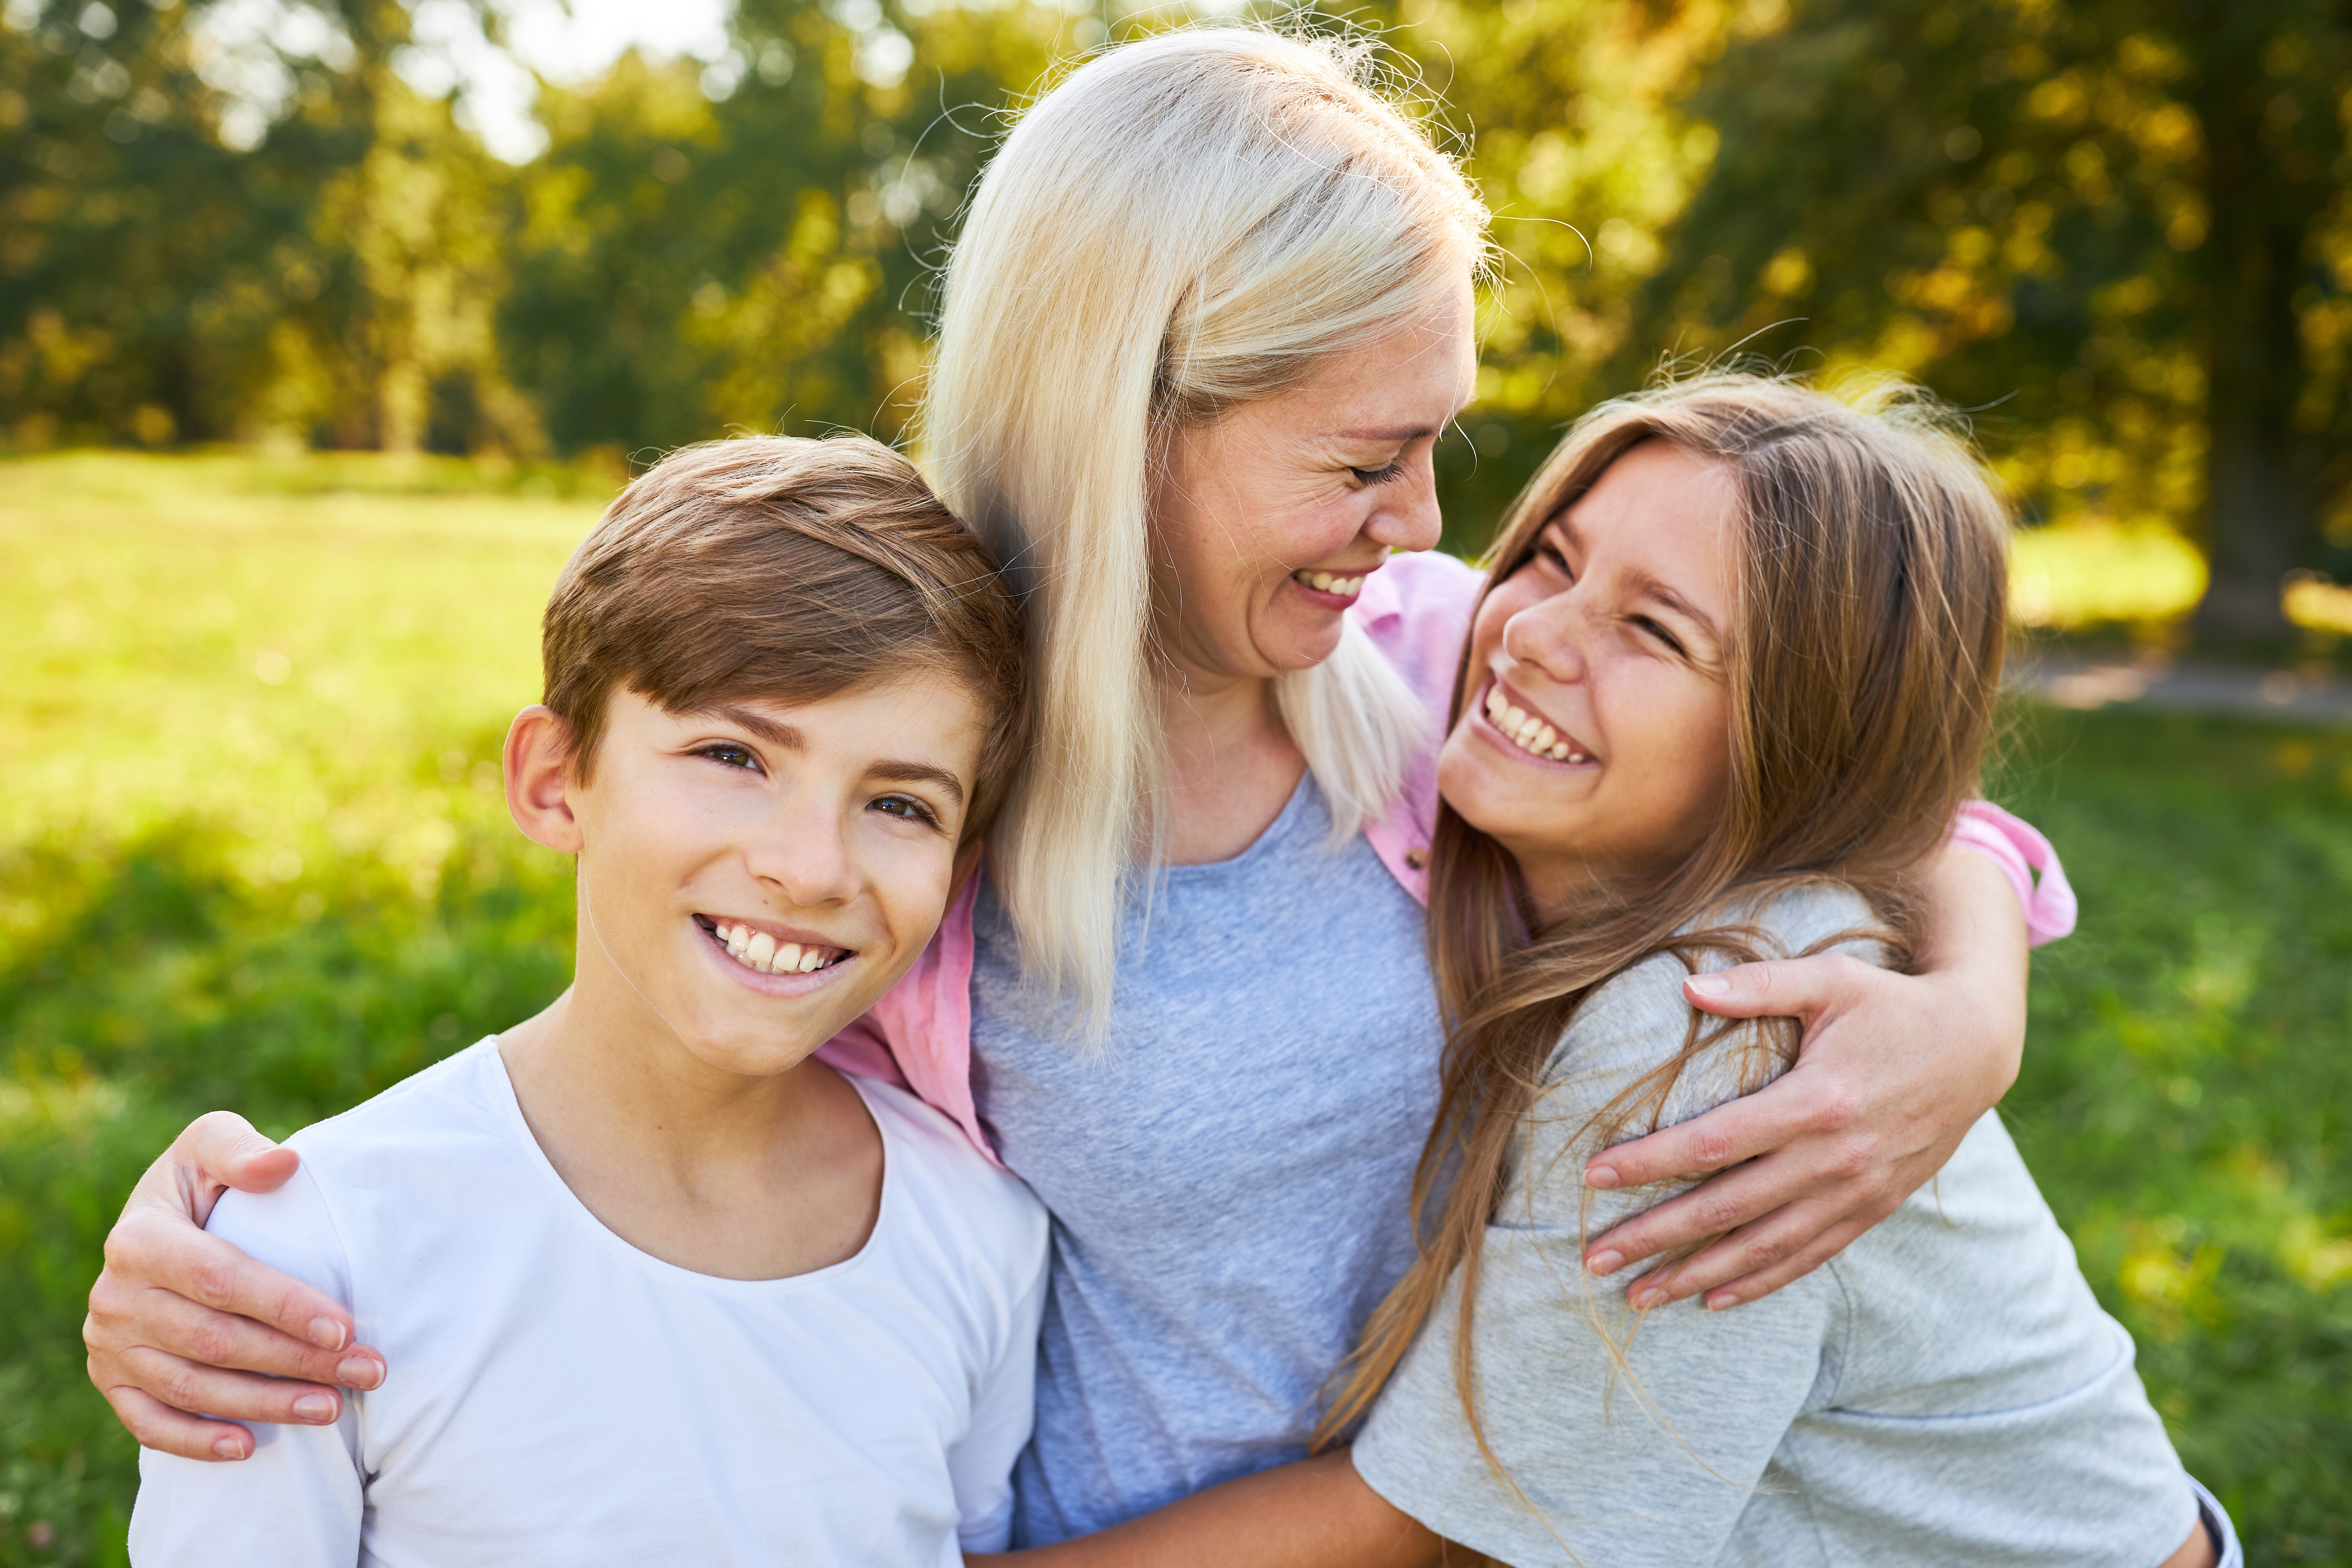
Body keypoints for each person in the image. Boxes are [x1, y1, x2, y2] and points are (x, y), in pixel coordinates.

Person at [87, 29, 2069, 1546]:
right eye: (1366, 457)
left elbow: (1852, 795)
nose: (1426, 521)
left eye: (1441, 449)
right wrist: (251, 1233)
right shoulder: (911, 771)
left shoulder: (1422, 658)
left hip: (1475, 1527)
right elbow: (660, 1046)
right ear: (1136, 409)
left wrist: (1967, 1010)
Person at [989, 376, 2236, 1568]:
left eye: (1652, 628)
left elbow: (1472, 1523)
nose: (1534, 634)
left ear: (1794, 743)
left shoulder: (1727, 1023)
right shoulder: (1430, 721)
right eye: (1550, 556)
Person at [127, 435, 1049, 1565]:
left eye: (901, 805)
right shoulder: (309, 1256)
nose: (812, 869)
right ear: (556, 781)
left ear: (960, 867)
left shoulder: (980, 1233)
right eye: (733, 755)